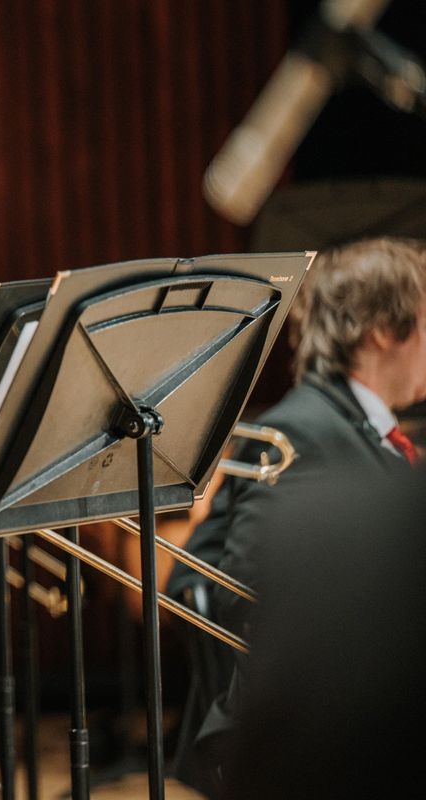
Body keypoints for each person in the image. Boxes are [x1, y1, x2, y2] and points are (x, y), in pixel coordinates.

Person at [168, 236, 426, 796]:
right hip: (310, 734)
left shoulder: (347, 422)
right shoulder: (304, 429)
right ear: (384, 328)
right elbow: (249, 594)